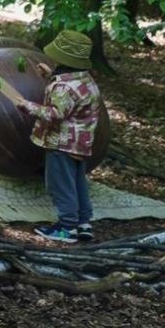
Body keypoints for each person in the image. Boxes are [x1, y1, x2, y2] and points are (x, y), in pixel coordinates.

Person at [16, 29, 102, 244]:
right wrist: (50, 76)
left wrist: (27, 105)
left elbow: (55, 113)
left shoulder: (63, 87)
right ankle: (83, 222)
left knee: (60, 185)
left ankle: (66, 228)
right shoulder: (85, 80)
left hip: (61, 143)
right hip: (80, 143)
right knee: (77, 182)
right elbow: (71, 97)